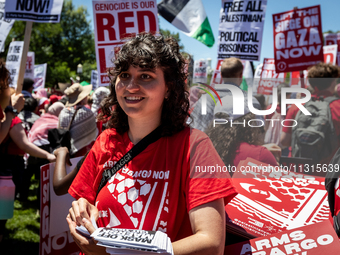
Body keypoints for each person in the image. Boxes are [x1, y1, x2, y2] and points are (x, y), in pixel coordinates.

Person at [67, 33, 237, 255]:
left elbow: (211, 244)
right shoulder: (106, 141)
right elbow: (85, 202)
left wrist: (116, 254)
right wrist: (81, 211)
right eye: (125, 75)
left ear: (168, 88)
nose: (131, 86)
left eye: (145, 76)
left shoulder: (195, 146)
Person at [280, 63, 340, 163]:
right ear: (333, 82)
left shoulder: (297, 106)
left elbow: (284, 141)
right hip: (329, 172)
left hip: (298, 170)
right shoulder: (337, 106)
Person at [190, 57, 262, 132]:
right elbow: (260, 132)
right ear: (241, 75)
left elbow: (194, 130)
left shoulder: (206, 100)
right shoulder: (251, 101)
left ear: (221, 75)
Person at [58, 83, 97, 157]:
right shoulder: (87, 112)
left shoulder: (63, 112)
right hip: (83, 152)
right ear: (82, 98)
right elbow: (93, 134)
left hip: (66, 152)